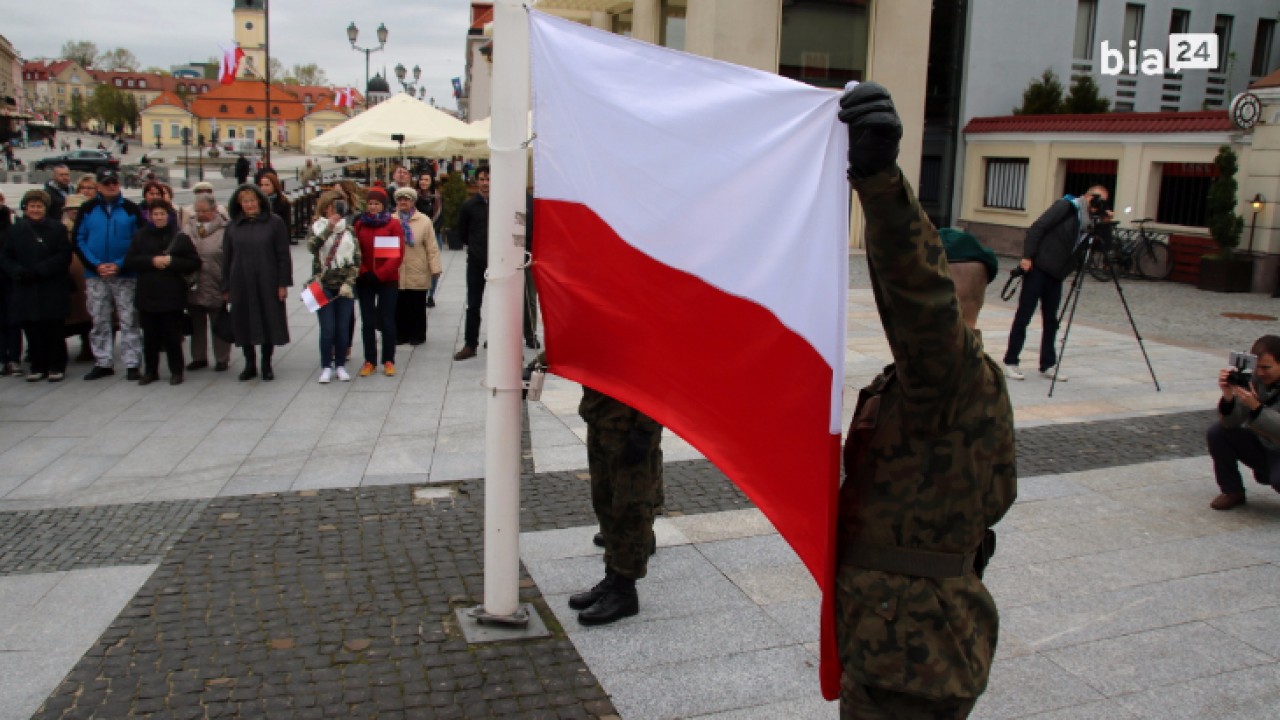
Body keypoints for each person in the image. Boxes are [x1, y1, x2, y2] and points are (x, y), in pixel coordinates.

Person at [834, 82, 1016, 718]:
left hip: (910, 651)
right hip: (906, 634)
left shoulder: (950, 372)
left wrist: (880, 181)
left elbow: (918, 298)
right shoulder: (938, 380)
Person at [567, 388, 664, 625]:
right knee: (605, 503)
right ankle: (613, 575)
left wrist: (645, 427)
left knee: (630, 510)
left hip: (629, 425)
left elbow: (658, 372)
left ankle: (624, 590)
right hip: (601, 415)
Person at [1002, 183, 1112, 382]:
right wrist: (1028, 257)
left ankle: (1048, 364)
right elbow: (1037, 228)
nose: (1097, 203)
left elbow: (1103, 247)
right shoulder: (1067, 207)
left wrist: (1104, 223)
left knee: (1051, 320)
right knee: (1024, 315)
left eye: (1102, 200)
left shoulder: (1091, 221)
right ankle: (1011, 361)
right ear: (1086, 196)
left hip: (1058, 274)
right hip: (1039, 268)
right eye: (1095, 197)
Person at [74, 168, 144, 381]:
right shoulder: (87, 209)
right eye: (106, 183)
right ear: (99, 186)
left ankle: (132, 362)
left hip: (125, 274)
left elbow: (139, 240)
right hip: (96, 274)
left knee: (129, 319)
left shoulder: (131, 209)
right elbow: (79, 239)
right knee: (99, 318)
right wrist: (95, 265)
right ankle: (103, 361)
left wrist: (120, 264)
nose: (111, 185)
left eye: (114, 182)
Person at [124, 200, 201, 386]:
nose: (159, 217)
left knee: (172, 335)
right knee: (149, 336)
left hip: (171, 293)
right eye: (155, 214)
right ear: (150, 216)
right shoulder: (141, 236)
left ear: (169, 215)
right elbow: (130, 261)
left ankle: (176, 370)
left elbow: (193, 262)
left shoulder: (179, 237)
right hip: (148, 293)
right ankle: (151, 371)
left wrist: (171, 261)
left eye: (162, 214)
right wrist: (152, 261)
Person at [0, 190, 72, 382]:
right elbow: (5, 257)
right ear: (25, 208)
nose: (35, 210)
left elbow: (64, 255)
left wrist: (40, 270)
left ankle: (56, 366)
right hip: (26, 286)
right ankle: (37, 366)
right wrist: (18, 271)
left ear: (45, 208)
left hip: (51, 285)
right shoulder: (15, 231)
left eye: (39, 206)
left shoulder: (57, 229)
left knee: (54, 328)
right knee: (32, 328)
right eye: (32, 206)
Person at [223, 184, 292, 381]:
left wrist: (282, 283)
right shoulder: (233, 226)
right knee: (244, 321)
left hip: (267, 280)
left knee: (268, 319)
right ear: (239, 204)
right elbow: (227, 257)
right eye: (245, 201)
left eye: (253, 200)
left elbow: (283, 255)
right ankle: (249, 363)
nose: (250, 204)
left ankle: (266, 363)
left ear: (260, 201)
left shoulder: (274, 223)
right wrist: (225, 285)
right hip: (241, 281)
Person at [1206, 335, 1280, 510]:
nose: (1260, 373)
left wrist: (1257, 408)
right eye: (1257, 367)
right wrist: (1228, 397)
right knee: (1218, 432)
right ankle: (1232, 491)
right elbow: (1231, 423)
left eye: (1266, 367)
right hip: (1266, 446)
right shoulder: (1256, 379)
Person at [306, 191, 361, 383]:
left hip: (344, 285)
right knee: (327, 328)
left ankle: (340, 365)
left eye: (340, 206)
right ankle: (326, 365)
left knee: (342, 327)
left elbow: (356, 260)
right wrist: (329, 227)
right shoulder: (317, 227)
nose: (336, 210)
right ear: (325, 207)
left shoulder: (349, 230)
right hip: (323, 284)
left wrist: (349, 283)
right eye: (333, 206)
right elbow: (312, 247)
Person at [351, 186, 406, 376]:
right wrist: (364, 271)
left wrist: (380, 274)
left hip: (387, 279)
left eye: (376, 203)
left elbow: (397, 255)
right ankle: (369, 360)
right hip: (365, 279)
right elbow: (354, 251)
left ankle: (388, 359)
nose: (373, 207)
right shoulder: (360, 225)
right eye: (370, 203)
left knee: (387, 320)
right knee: (367, 321)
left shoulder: (392, 225)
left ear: (383, 205)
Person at [182, 194, 232, 372]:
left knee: (218, 321)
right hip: (194, 283)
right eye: (198, 211)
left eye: (205, 211)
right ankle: (199, 357)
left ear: (214, 210)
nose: (201, 214)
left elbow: (230, 259)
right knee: (197, 323)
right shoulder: (188, 228)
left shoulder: (225, 229)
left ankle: (222, 358)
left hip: (216, 281)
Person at [392, 187, 441, 346]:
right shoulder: (391, 220)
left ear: (413, 202)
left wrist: (435, 267)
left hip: (417, 267)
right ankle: (401, 334)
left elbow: (432, 246)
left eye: (406, 199)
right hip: (397, 268)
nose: (403, 202)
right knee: (400, 304)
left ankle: (417, 335)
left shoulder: (424, 221)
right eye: (400, 199)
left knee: (417, 304)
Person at [454, 167, 490, 361]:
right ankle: (470, 343)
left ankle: (496, 339)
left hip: (498, 261)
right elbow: (462, 232)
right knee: (473, 304)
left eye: (489, 179)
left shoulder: (502, 203)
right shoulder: (469, 205)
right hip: (476, 262)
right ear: (477, 182)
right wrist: (476, 247)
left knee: (499, 304)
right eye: (482, 179)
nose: (485, 183)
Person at [59, 195, 93, 362]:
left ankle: (88, 346)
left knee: (88, 312)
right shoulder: (60, 228)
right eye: (70, 209)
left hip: (87, 272)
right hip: (69, 274)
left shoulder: (89, 227)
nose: (73, 212)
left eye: (77, 209)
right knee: (71, 311)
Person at [0, 192, 20, 376]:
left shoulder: (12, 222)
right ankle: (2, 358)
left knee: (13, 320)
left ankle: (14, 358)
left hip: (10, 277)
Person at [258, 171, 294, 244]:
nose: (263, 188)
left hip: (276, 240)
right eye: (261, 185)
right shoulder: (257, 202)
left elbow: (286, 226)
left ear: (274, 185)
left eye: (267, 185)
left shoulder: (283, 203)